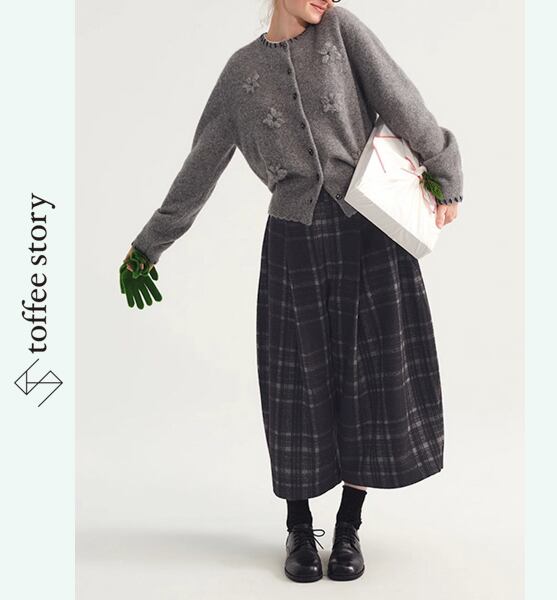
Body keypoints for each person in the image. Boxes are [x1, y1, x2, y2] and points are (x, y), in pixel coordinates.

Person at [120, 0, 463, 583]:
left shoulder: (341, 31)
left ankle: (349, 525)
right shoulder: (239, 75)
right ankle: (299, 527)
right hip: (293, 241)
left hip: (370, 229)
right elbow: (200, 167)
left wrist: (445, 172)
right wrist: (148, 245)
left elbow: (401, 98)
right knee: (295, 383)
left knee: (369, 375)